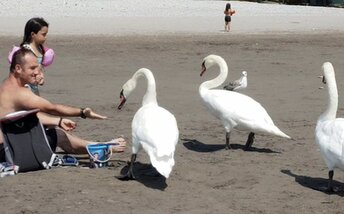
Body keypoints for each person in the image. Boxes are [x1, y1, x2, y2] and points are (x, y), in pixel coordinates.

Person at [0, 48, 126, 162]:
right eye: (32, 68)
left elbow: (30, 117)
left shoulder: (5, 85)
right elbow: (52, 108)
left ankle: (101, 145)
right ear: (18, 68)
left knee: (50, 129)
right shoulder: (19, 93)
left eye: (37, 68)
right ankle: (103, 147)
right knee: (58, 134)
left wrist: (58, 121)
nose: (36, 72)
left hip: (7, 146)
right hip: (7, 152)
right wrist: (82, 112)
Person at [8, 17, 54, 95]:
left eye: (46, 34)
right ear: (33, 34)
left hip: (34, 90)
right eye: (43, 34)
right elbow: (19, 74)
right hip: (24, 90)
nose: (46, 37)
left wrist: (41, 78)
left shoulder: (40, 50)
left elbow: (39, 69)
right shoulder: (25, 51)